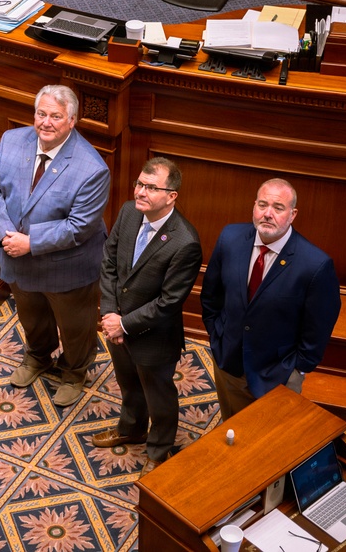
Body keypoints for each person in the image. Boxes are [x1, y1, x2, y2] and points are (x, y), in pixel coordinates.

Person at [0, 84, 110, 407]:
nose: (46, 123)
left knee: (75, 326)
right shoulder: (12, 141)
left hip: (67, 267)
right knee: (31, 315)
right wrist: (7, 234)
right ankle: (38, 357)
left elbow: (79, 227)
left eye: (56, 116)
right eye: (41, 114)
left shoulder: (92, 169)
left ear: (72, 120)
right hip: (16, 254)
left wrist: (30, 242)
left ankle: (74, 372)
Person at [93, 158, 202, 475]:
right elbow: (110, 262)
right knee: (128, 384)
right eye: (139, 184)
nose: (140, 192)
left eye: (151, 187)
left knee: (159, 395)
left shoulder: (185, 242)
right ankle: (131, 428)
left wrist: (123, 323)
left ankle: (159, 449)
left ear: (172, 196)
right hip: (116, 326)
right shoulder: (129, 212)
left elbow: (169, 302)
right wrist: (111, 313)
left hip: (153, 336)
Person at [201, 178, 340, 420]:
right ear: (254, 206)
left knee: (268, 447)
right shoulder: (230, 238)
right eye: (262, 205)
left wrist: (295, 371)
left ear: (292, 214)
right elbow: (211, 295)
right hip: (229, 363)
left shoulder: (315, 265)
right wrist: (217, 337)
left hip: (277, 376)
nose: (268, 214)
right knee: (231, 431)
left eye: (278, 207)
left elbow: (317, 330)